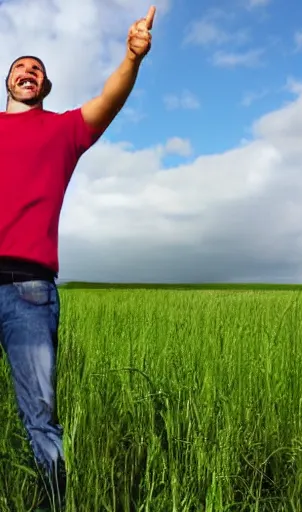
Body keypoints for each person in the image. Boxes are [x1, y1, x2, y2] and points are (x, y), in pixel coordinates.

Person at [0, 6, 156, 510]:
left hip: (29, 291)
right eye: (20, 67)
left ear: (44, 87)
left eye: (38, 70)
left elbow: (109, 101)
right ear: (8, 80)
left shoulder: (63, 130)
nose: (29, 72)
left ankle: (53, 505)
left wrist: (131, 58)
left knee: (40, 415)